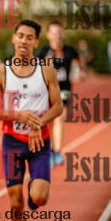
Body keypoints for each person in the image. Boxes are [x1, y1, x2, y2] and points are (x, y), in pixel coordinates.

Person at [0, 20, 62, 221]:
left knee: (39, 197)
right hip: (12, 143)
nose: (24, 41)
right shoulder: (1, 72)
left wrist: (38, 123)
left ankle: (34, 194)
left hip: (39, 142)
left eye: (29, 37)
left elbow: (58, 106)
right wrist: (18, 116)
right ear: (13, 38)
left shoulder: (46, 70)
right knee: (15, 202)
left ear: (36, 42)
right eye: (20, 36)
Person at [36, 21, 80, 167]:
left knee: (60, 117)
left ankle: (57, 151)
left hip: (64, 89)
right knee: (49, 121)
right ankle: (49, 150)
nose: (57, 36)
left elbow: (79, 60)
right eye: (54, 33)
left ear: (63, 34)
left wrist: (82, 70)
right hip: (46, 90)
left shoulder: (70, 51)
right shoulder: (43, 52)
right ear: (48, 35)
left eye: (59, 32)